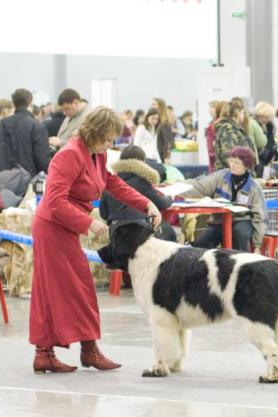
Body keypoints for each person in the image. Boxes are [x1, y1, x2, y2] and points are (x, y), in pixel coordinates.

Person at [29, 107, 162, 373]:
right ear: (95, 133)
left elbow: (114, 185)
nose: (111, 145)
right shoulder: (68, 155)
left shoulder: (96, 154)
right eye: (108, 139)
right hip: (52, 228)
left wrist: (147, 203)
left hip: (67, 227)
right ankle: (56, 351)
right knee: (57, 290)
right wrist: (88, 222)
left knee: (76, 289)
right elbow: (54, 202)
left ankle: (78, 350)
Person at [184, 146, 265, 252]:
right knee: (201, 245)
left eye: (237, 162)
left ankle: (241, 264)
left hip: (242, 220)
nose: (232, 165)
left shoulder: (254, 188)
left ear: (246, 166)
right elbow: (200, 185)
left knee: (240, 233)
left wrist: (257, 245)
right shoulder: (220, 177)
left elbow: (260, 217)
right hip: (219, 221)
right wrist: (178, 188)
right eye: (231, 161)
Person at [100, 144, 175, 241]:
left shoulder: (111, 181)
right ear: (143, 162)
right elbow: (160, 204)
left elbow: (104, 213)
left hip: (115, 233)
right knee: (170, 233)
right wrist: (170, 198)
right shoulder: (142, 181)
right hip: (140, 231)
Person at [0, 89, 50, 177]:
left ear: (14, 104)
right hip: (27, 180)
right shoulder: (37, 127)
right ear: (30, 104)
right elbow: (42, 160)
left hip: (0, 179)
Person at [214, 100, 256, 170]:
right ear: (238, 113)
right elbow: (229, 156)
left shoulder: (236, 129)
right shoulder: (229, 130)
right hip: (232, 177)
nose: (244, 116)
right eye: (243, 113)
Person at [151, 98, 175, 163]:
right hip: (153, 154)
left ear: (160, 106)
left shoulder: (165, 122)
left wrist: (166, 157)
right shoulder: (153, 122)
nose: (151, 106)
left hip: (161, 155)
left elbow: (167, 141)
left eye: (154, 104)